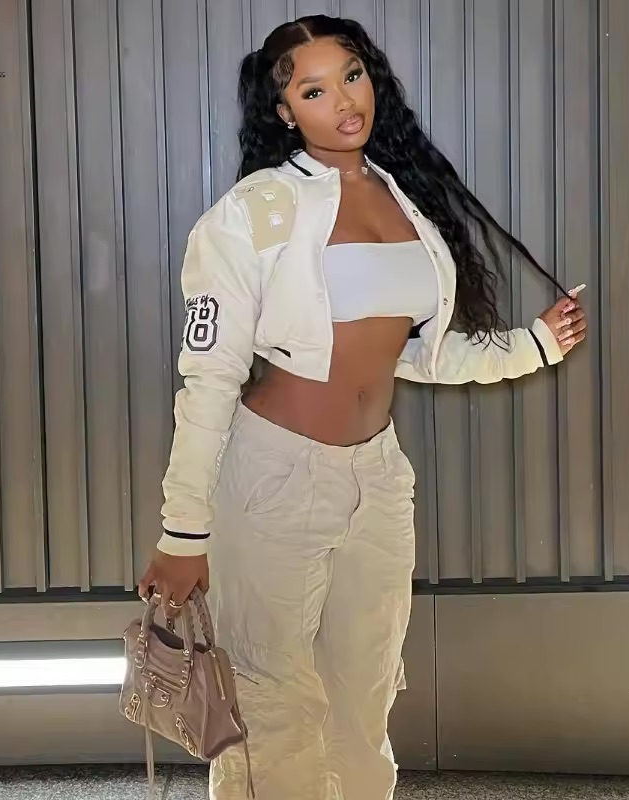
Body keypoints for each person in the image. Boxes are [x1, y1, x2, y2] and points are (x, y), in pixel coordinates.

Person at [138, 13, 587, 800]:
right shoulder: (254, 213)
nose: (345, 101)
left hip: (377, 480)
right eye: (314, 90)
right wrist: (183, 532)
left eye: (351, 76)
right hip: (273, 477)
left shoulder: (401, 197)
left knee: (365, 691)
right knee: (272, 699)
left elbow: (415, 354)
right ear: (284, 112)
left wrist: (534, 344)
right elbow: (207, 379)